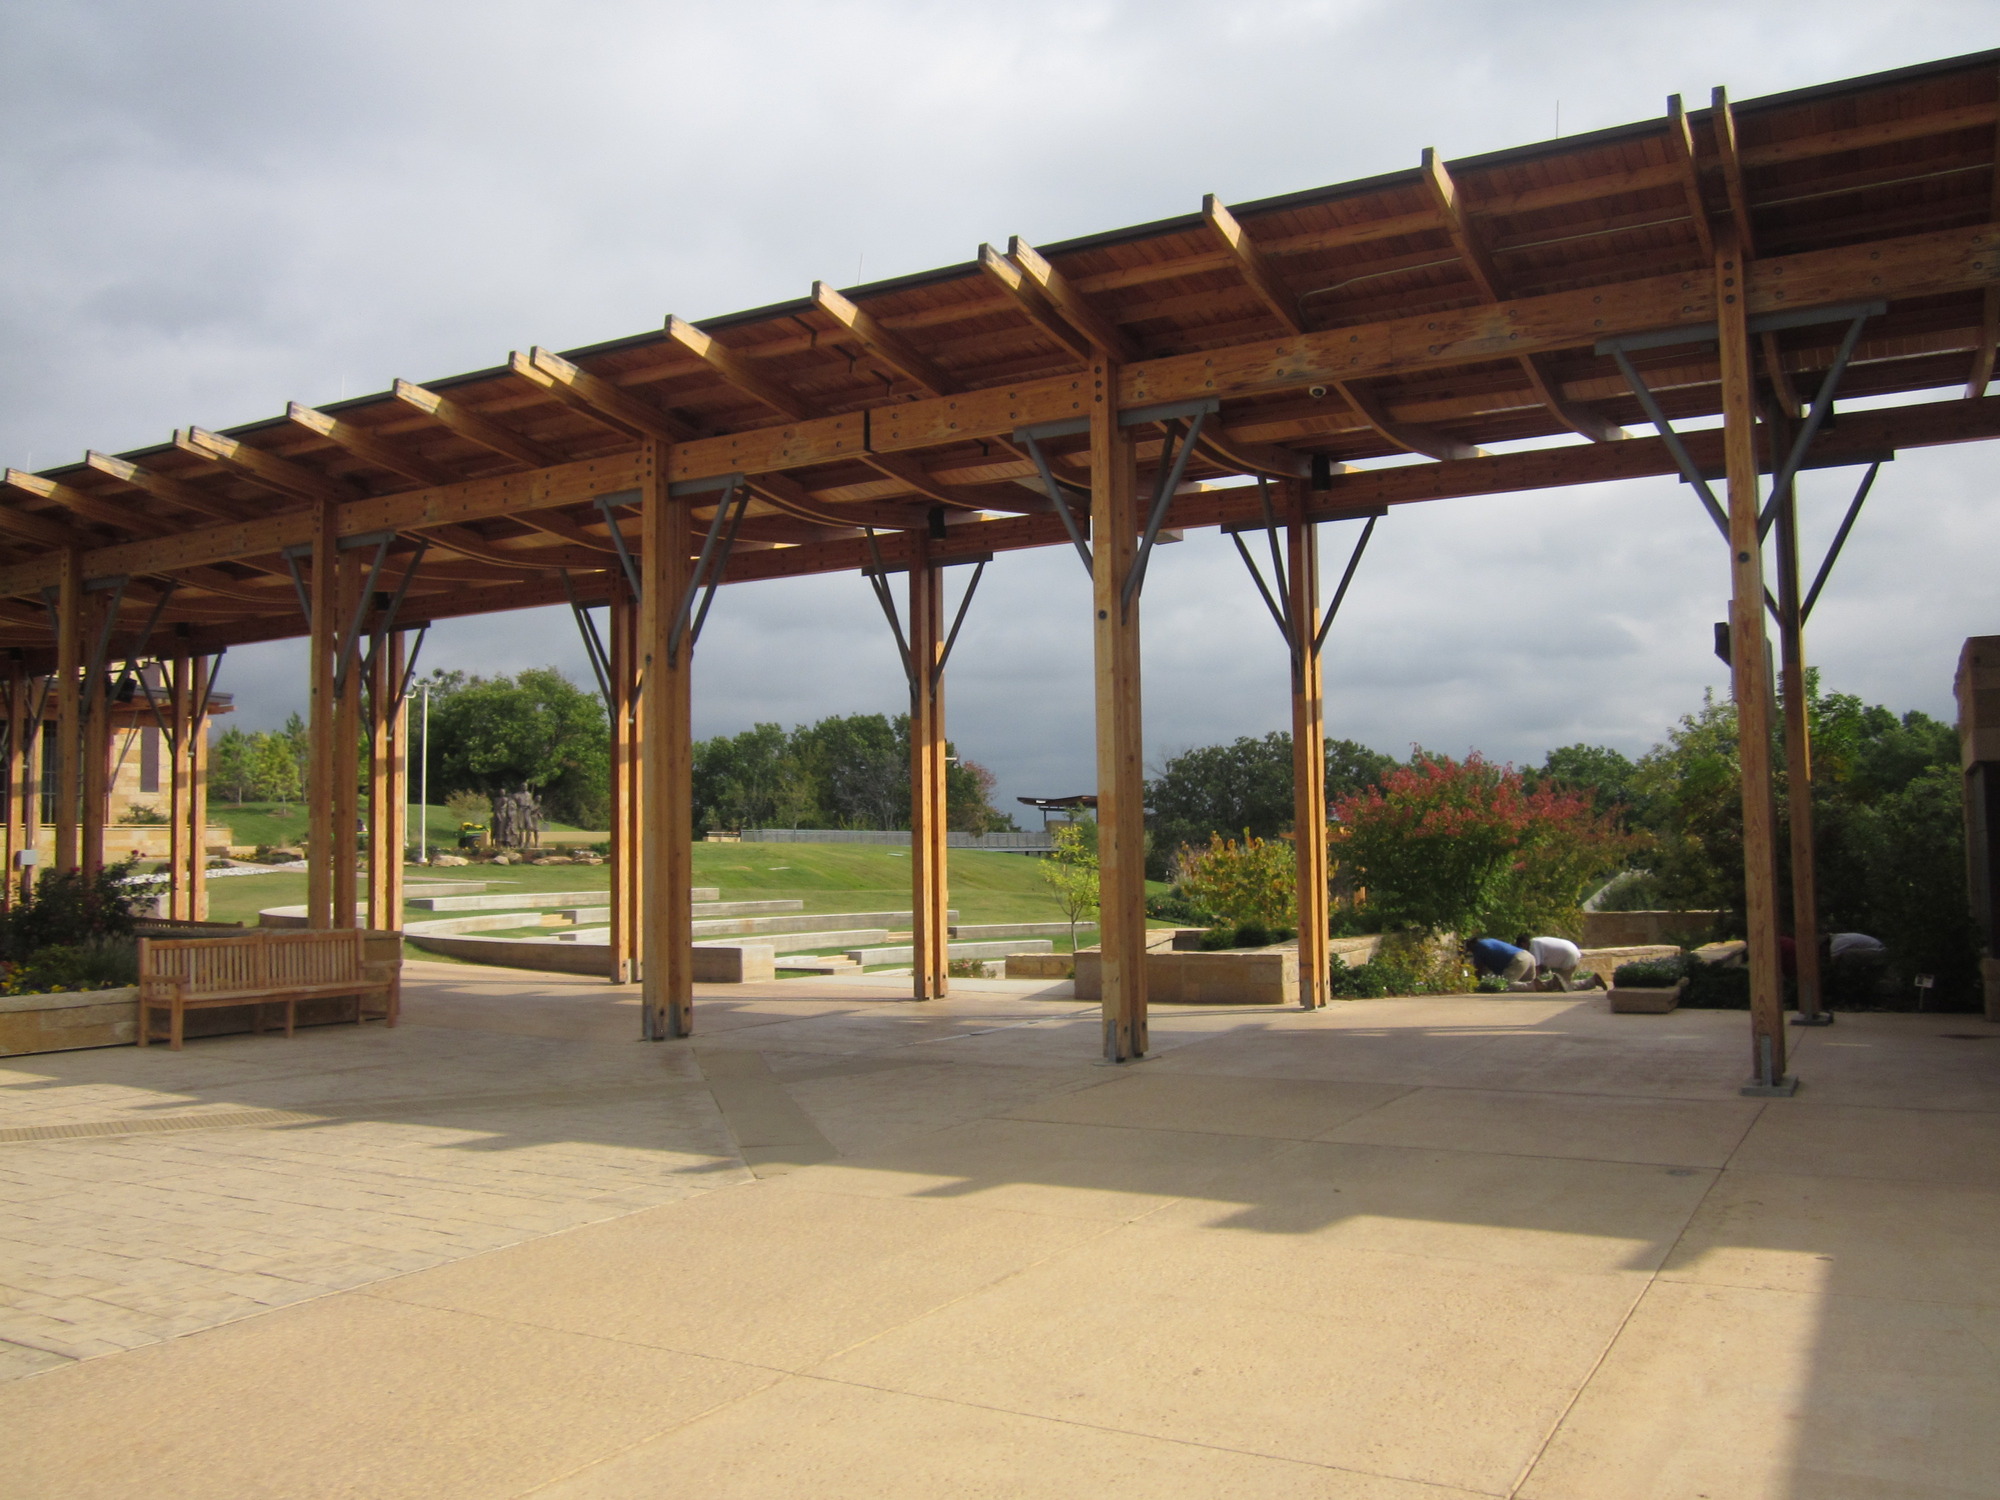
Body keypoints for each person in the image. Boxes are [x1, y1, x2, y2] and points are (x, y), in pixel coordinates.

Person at [1517, 933, 1589, 991]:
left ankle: (1590, 982)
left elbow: (1537, 968)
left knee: (1563, 986)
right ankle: (1589, 982)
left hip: (1568, 956)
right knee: (1558, 984)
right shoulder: (1537, 941)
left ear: (1523, 944)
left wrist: (1533, 983)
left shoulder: (1534, 945)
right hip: (1571, 951)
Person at [1468, 937, 1534, 988]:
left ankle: (1535, 986)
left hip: (1518, 959)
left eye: (1470, 949)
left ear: (1472, 945)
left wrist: (1475, 983)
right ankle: (1542, 984)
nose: (1471, 952)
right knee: (1528, 982)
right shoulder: (1489, 941)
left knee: (1505, 985)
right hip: (1528, 956)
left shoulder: (1478, 947)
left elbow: (1478, 969)